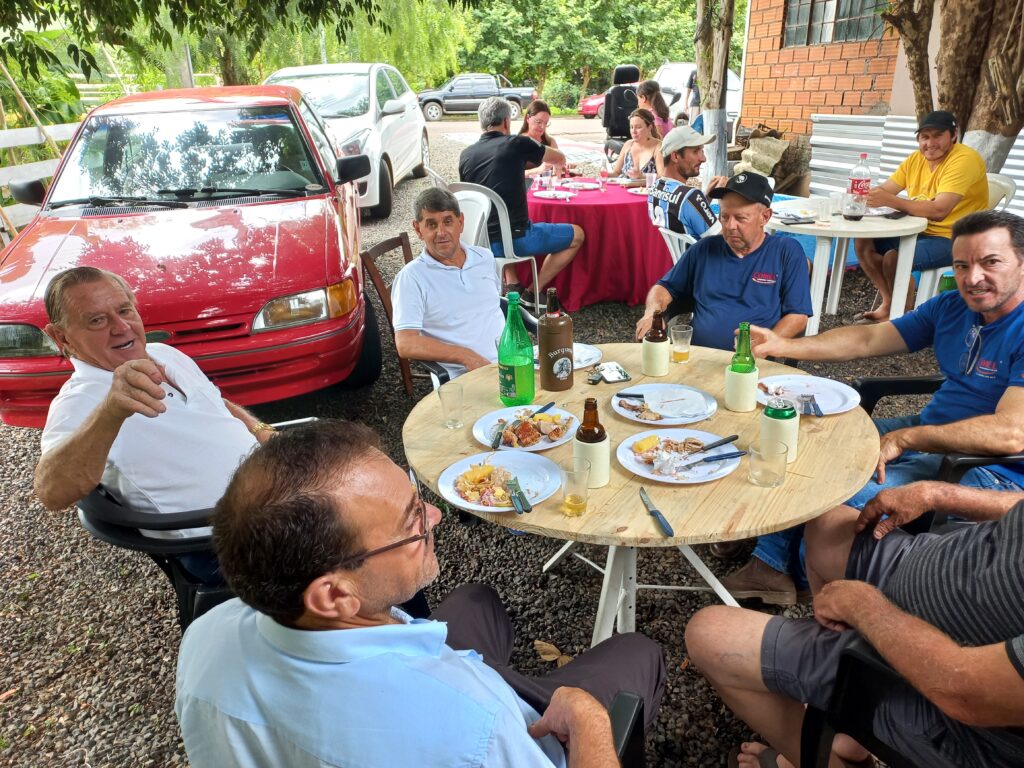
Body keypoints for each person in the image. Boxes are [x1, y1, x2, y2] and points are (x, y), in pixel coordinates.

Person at [175, 420, 666, 767]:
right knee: (638, 650)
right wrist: (588, 719)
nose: (434, 517)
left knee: (476, 600)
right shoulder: (474, 729)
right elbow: (473, 723)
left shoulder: (206, 636)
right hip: (523, 725)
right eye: (411, 520)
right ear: (333, 596)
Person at [720, 209, 1024, 606]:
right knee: (807, 441)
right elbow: (868, 340)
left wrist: (908, 438)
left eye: (990, 262)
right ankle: (772, 547)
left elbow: (1011, 433)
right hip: (933, 429)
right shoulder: (953, 307)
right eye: (962, 265)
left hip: (988, 469)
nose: (973, 277)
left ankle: (785, 572)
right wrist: (784, 344)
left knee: (831, 490)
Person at [686, 480, 1024, 768]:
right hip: (946, 564)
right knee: (826, 524)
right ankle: (837, 719)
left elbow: (966, 693)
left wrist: (863, 607)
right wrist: (937, 494)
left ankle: (829, 753)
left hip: (954, 706)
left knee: (710, 635)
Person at [32, 266, 267, 583]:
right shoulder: (78, 402)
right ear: (61, 337)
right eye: (97, 320)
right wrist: (110, 411)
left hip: (276, 494)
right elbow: (52, 493)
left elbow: (215, 404)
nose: (121, 328)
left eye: (124, 310)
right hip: (226, 540)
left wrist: (262, 432)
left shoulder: (163, 353)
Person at [635, 172, 812, 350]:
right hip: (698, 357)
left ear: (765, 217)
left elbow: (798, 316)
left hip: (755, 359)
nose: (729, 226)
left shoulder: (786, 252)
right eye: (725, 217)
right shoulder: (704, 248)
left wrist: (766, 346)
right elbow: (664, 287)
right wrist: (651, 313)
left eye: (740, 218)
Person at [854, 110, 988, 323]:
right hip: (921, 230)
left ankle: (902, 319)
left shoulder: (964, 159)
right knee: (863, 243)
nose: (930, 143)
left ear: (954, 135)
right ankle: (889, 303)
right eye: (925, 137)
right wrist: (860, 197)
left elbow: (939, 211)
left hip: (958, 238)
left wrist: (890, 200)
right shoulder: (915, 159)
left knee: (894, 258)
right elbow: (886, 190)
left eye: (938, 136)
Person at [459, 96, 584, 303]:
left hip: (479, 241)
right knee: (578, 234)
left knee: (502, 225)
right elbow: (559, 158)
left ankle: (513, 284)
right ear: (506, 121)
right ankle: (533, 291)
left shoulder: (466, 155)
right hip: (517, 240)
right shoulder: (517, 143)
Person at [392, 188, 506, 380]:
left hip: (511, 362)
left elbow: (492, 305)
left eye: (447, 221)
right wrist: (466, 356)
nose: (441, 232)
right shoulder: (412, 278)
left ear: (460, 222)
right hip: (465, 377)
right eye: (431, 224)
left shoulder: (484, 257)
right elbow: (406, 343)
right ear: (418, 230)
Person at [647, 124, 729, 239]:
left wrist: (706, 197)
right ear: (675, 156)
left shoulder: (654, 188)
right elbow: (721, 241)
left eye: (702, 151)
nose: (703, 158)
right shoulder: (691, 197)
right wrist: (725, 200)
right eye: (696, 151)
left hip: (672, 251)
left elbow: (682, 212)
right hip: (699, 251)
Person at [609, 109, 665, 180]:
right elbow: (616, 173)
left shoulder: (658, 146)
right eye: (631, 127)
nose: (634, 131)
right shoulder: (628, 144)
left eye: (638, 127)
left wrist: (641, 177)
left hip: (646, 187)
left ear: (649, 127)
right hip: (624, 186)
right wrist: (604, 174)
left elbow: (662, 177)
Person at [518, 99, 560, 178]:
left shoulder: (550, 142)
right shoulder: (517, 143)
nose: (542, 127)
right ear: (528, 118)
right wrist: (538, 170)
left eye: (546, 123)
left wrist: (562, 167)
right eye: (538, 122)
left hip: (548, 185)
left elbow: (558, 167)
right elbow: (512, 174)